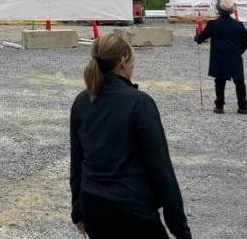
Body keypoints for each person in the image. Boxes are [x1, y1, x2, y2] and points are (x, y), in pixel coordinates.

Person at [70, 34, 192, 239]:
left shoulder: (82, 101)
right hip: (132, 209)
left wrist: (78, 211)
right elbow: (160, 168)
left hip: (94, 207)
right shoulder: (140, 103)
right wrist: (180, 228)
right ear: (123, 62)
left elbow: (77, 162)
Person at [195, 0, 247, 114]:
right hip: (235, 56)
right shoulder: (239, 25)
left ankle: (219, 105)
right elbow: (246, 42)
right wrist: (238, 51)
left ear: (219, 10)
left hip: (219, 57)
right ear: (231, 11)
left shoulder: (213, 24)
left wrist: (197, 37)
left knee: (220, 82)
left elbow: (201, 38)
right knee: (239, 82)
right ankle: (242, 106)